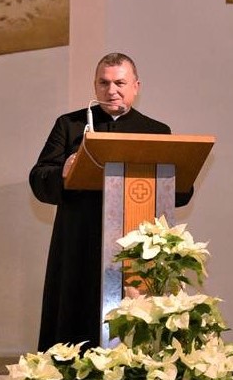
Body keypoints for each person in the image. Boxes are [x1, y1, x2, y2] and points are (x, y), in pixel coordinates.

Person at [29, 52, 192, 351]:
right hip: (80, 239)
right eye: (103, 83)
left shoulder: (156, 132)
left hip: (136, 244)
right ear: (95, 85)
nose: (111, 90)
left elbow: (178, 191)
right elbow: (39, 178)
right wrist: (63, 170)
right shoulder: (70, 125)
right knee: (74, 317)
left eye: (119, 83)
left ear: (136, 86)